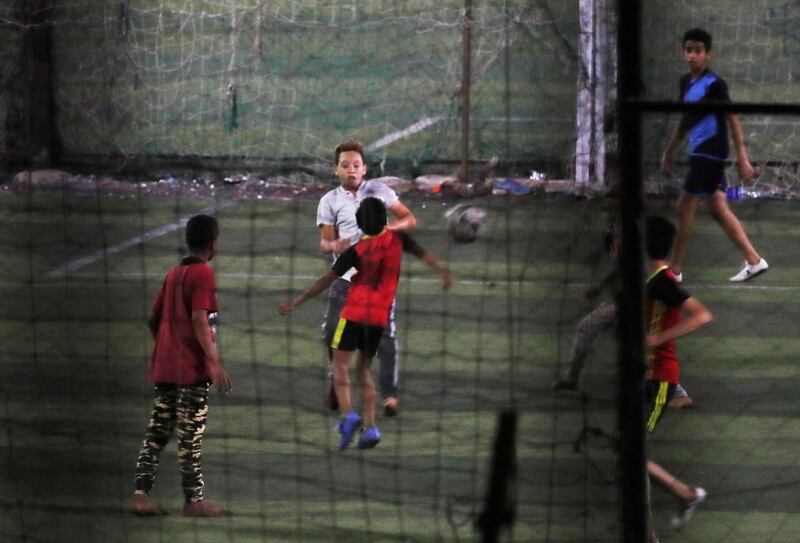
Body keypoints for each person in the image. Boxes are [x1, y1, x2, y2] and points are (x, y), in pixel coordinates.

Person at [281, 198, 452, 450]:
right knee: (363, 370)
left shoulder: (356, 250)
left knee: (339, 366)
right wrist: (442, 271)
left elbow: (325, 281)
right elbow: (424, 255)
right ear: (385, 220)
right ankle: (370, 428)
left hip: (352, 315)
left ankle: (348, 416)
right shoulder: (399, 240)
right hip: (378, 320)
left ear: (360, 224)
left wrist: (296, 302)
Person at [130, 214, 232, 518]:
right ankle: (194, 501)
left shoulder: (174, 273)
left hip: (165, 369)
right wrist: (214, 362)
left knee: (157, 432)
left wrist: (164, 346)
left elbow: (152, 317)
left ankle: (140, 496)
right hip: (191, 371)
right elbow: (200, 319)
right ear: (213, 245)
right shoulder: (203, 275)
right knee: (190, 435)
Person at [551, 191, 693, 408]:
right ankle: (572, 380)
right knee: (591, 330)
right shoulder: (615, 235)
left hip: (643, 301)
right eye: (605, 209)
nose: (606, 213)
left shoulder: (632, 235)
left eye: (610, 208)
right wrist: (599, 289)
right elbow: (620, 268)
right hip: (625, 301)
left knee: (640, 345)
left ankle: (676, 392)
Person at [317, 140, 417, 417]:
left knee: (386, 335)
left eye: (356, 165)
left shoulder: (380, 191)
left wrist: (390, 227)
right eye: (345, 165)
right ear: (335, 170)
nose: (351, 170)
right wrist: (334, 246)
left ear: (365, 169)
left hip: (379, 279)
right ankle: (335, 381)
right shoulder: (329, 201)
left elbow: (409, 218)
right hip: (347, 278)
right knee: (331, 332)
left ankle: (390, 395)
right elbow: (324, 243)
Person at [660, 27, 768, 283]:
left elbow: (732, 117)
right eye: (688, 50)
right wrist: (668, 151)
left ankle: (674, 270)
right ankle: (754, 261)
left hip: (711, 153)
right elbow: (685, 120)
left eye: (698, 51)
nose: (692, 55)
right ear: (683, 53)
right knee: (718, 207)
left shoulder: (715, 84)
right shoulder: (685, 83)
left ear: (708, 53)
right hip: (697, 151)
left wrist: (742, 157)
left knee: (685, 204)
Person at [643, 215, 713, 542]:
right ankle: (685, 494)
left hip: (659, 380)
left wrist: (658, 340)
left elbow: (702, 315)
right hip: (647, 378)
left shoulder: (662, 282)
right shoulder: (656, 278)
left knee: (632, 455)